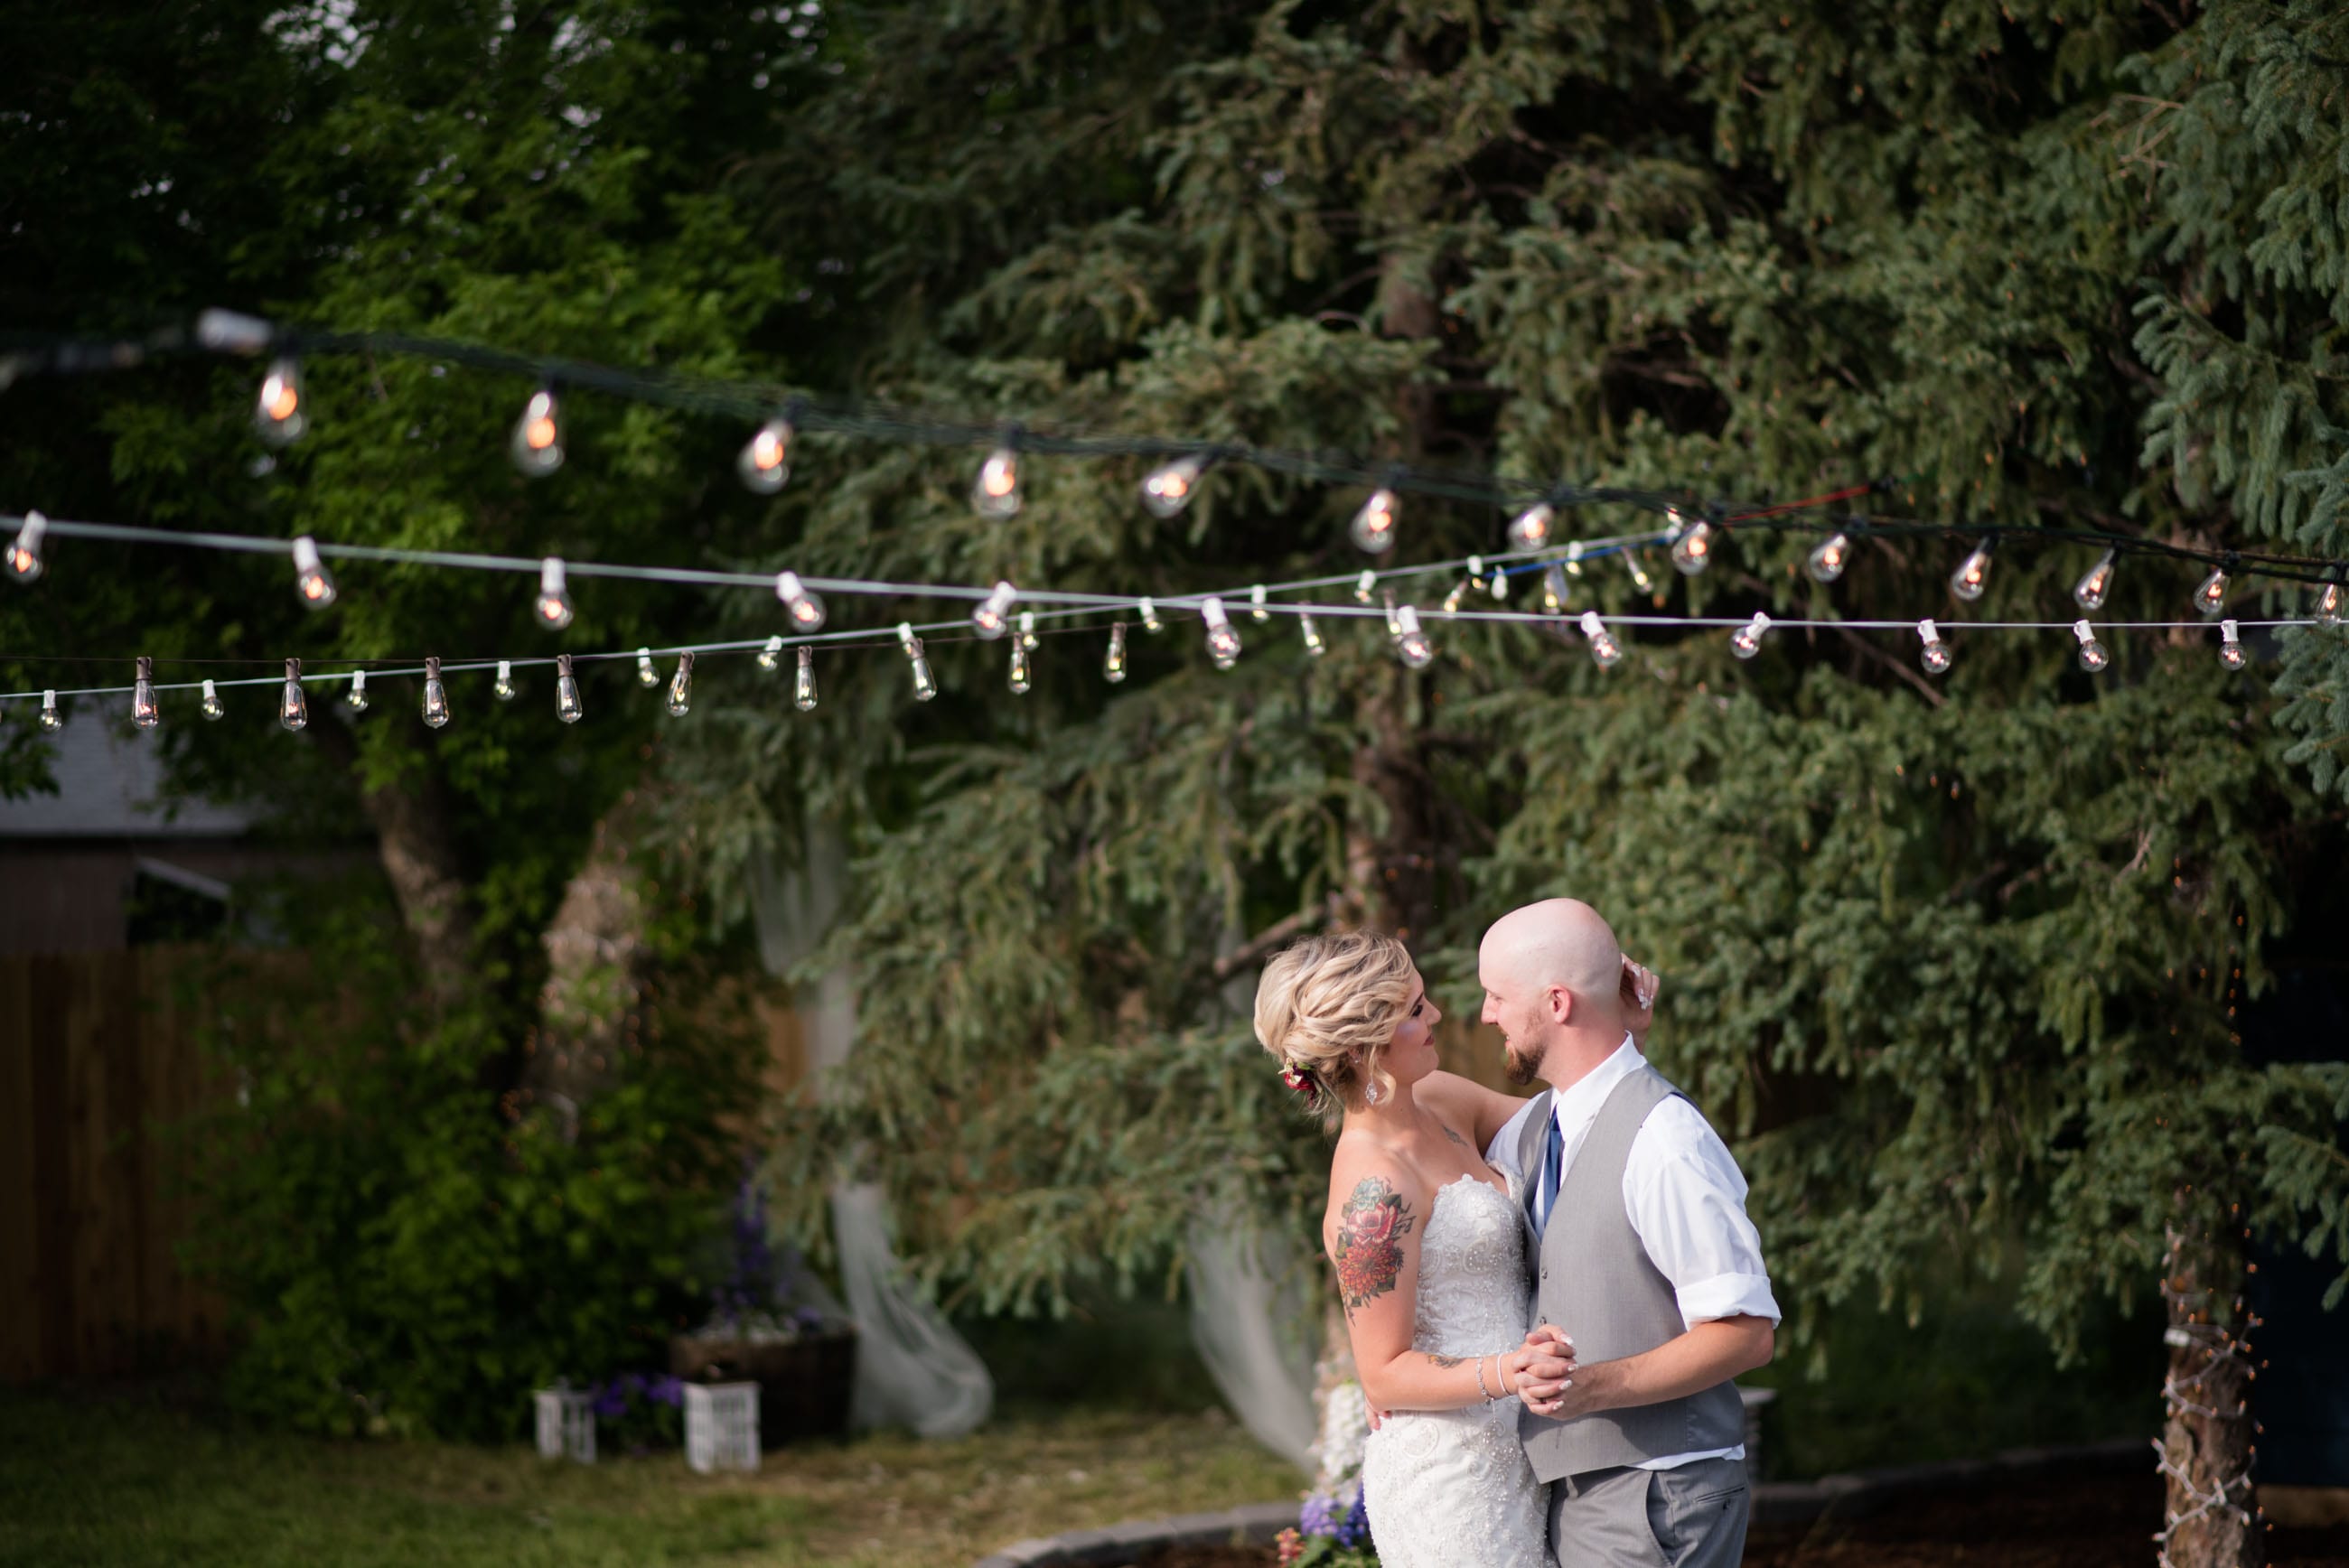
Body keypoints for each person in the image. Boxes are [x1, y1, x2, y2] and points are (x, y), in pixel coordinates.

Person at [1253, 930, 1578, 1567]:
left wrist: (1618, 1028)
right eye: (1413, 1011)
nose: (1435, 1017)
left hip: (1524, 1450)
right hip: (1452, 1483)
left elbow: (1573, 1127)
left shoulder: (1440, 1099)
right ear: (1361, 1046)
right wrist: (1508, 1371)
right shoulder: (1372, 1191)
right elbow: (1383, 1372)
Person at [1475, 898, 1779, 1568]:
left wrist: (1592, 1388)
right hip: (1575, 1499)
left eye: (1497, 995)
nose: (1486, 1015)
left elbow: (1747, 1333)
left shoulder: (1665, 1140)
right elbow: (1418, 1104)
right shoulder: (1529, 1130)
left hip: (1660, 1494)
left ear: (1557, 1003)